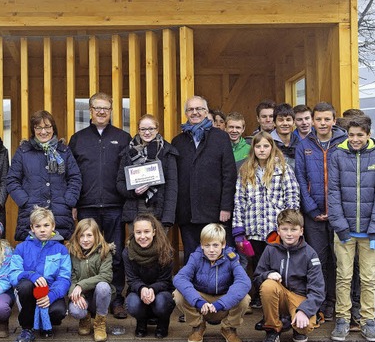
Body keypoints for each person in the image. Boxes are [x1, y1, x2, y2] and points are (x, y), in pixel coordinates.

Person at [68, 92, 131, 319]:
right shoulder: (78, 139)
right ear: (90, 111)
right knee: (87, 253)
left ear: (111, 110)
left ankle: (115, 299)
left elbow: (129, 173)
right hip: (87, 206)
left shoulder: (124, 138)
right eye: (97, 108)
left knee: (114, 254)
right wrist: (73, 203)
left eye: (106, 108)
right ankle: (88, 296)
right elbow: (71, 174)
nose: (102, 112)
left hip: (115, 205)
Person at [327, 115, 375, 342]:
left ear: (368, 134)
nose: (355, 139)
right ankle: (342, 319)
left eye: (359, 135)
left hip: (369, 232)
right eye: (351, 135)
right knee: (343, 276)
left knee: (368, 278)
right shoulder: (337, 156)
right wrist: (341, 227)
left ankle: (368, 321)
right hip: (345, 231)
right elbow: (332, 194)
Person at [232, 131, 300, 309]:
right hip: (253, 226)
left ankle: (275, 298)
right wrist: (238, 228)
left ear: (272, 147)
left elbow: (292, 197)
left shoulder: (283, 169)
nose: (262, 150)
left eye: (266, 146)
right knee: (256, 264)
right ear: (253, 148)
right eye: (258, 146)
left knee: (276, 263)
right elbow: (239, 200)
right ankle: (258, 296)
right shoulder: (246, 170)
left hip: (274, 228)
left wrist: (289, 226)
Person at [293, 102, 346, 323]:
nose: (322, 123)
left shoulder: (343, 143)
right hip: (313, 215)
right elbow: (300, 178)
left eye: (327, 119)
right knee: (318, 260)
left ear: (334, 120)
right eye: (318, 119)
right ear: (312, 121)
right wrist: (312, 210)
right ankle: (320, 302)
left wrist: (336, 211)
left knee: (339, 260)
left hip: (339, 214)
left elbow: (349, 179)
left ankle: (336, 303)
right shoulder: (303, 144)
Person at [173, 96, 237, 264]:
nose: (195, 113)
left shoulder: (220, 138)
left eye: (199, 109)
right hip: (187, 213)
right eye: (190, 110)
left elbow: (229, 175)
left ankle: (219, 289)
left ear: (206, 112)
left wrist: (226, 207)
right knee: (191, 257)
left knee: (218, 257)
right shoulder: (178, 142)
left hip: (215, 212)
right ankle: (192, 290)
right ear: (186, 113)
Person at [254, 209, 325, 342]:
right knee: (268, 286)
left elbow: (318, 290)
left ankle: (296, 326)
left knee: (305, 327)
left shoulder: (310, 254)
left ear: (301, 231)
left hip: (299, 298)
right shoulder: (270, 249)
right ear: (278, 231)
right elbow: (256, 278)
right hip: (278, 294)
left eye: (294, 229)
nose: (289, 233)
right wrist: (267, 275)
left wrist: (305, 310)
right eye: (285, 229)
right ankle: (273, 331)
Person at [6, 110, 82, 241]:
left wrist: (69, 200)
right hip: (31, 212)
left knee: (58, 256)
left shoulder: (64, 151)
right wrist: (24, 201)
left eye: (47, 127)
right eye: (38, 127)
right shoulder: (23, 152)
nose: (43, 132)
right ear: (33, 130)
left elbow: (75, 177)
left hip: (60, 212)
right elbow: (12, 180)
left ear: (53, 128)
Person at [173, 223, 251, 342]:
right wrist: (198, 301)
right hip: (202, 302)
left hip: (224, 302)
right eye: (207, 245)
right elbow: (180, 278)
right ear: (201, 245)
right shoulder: (196, 257)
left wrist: (222, 303)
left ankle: (229, 328)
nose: (211, 250)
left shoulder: (231, 258)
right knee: (178, 294)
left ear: (223, 244)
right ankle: (197, 326)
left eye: (215, 245)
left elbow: (244, 282)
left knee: (245, 298)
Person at [9, 207, 71, 342]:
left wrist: (51, 296)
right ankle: (26, 328)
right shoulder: (22, 248)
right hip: (29, 291)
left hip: (50, 291)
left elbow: (64, 278)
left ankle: (45, 323)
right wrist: (31, 275)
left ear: (53, 226)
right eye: (38, 226)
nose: (42, 230)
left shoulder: (61, 249)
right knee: (25, 285)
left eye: (46, 225)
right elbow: (13, 274)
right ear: (32, 228)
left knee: (58, 312)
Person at [116, 114, 178, 229]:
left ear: (157, 129)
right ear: (138, 130)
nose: (147, 132)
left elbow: (172, 188)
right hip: (135, 210)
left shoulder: (167, 152)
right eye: (143, 129)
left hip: (159, 212)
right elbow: (120, 183)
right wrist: (134, 192)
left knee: (158, 247)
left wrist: (168, 218)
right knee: (137, 246)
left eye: (151, 129)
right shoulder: (128, 152)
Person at [123, 214, 176, 339]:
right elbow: (132, 279)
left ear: (154, 232)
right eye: (138, 232)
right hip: (138, 291)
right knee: (132, 304)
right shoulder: (128, 252)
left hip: (162, 291)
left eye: (146, 232)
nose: (142, 236)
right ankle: (141, 322)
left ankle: (163, 323)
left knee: (161, 303)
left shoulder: (165, 250)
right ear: (133, 233)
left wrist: (152, 289)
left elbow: (165, 280)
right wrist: (142, 289)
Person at [67, 218, 115, 342]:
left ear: (96, 236)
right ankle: (85, 319)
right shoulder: (71, 252)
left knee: (103, 286)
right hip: (82, 297)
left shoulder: (104, 251)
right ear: (77, 236)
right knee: (76, 311)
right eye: (81, 235)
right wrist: (78, 293)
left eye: (89, 235)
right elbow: (71, 277)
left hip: (99, 296)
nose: (85, 239)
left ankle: (100, 323)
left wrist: (81, 285)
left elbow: (106, 276)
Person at [270, 103, 300, 169]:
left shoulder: (299, 142)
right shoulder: (268, 142)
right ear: (274, 123)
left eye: (288, 120)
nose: (285, 123)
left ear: (294, 122)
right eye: (281, 120)